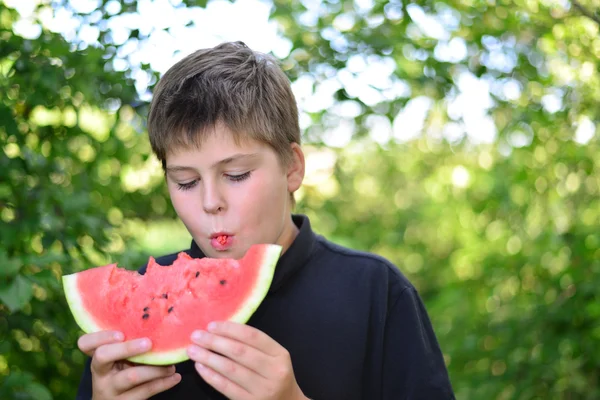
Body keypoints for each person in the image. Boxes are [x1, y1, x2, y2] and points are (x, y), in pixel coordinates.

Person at [75, 41, 455, 400]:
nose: (211, 203)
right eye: (186, 181)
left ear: (292, 168)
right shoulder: (142, 307)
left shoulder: (378, 293)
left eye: (236, 174)